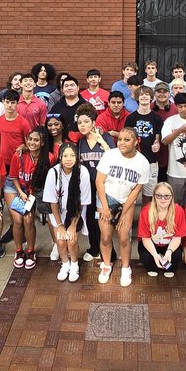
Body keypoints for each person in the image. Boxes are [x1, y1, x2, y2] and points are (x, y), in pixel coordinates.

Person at [94, 128, 150, 287]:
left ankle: (126, 268)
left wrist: (123, 212)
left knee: (124, 237)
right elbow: (99, 182)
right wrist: (105, 207)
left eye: (127, 140)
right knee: (105, 236)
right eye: (120, 139)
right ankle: (106, 265)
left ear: (136, 141)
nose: (121, 143)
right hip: (106, 198)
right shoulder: (109, 155)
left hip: (126, 200)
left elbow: (136, 190)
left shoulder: (143, 162)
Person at [44, 143, 91, 282]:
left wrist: (72, 225)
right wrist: (59, 225)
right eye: (65, 155)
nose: (68, 159)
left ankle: (75, 265)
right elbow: (52, 201)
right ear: (60, 157)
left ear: (77, 157)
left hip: (75, 211)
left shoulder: (83, 172)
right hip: (57, 211)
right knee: (60, 240)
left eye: (72, 155)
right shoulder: (53, 172)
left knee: (71, 240)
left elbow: (82, 202)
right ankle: (65, 264)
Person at [8, 130, 52, 269]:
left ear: (43, 143)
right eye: (30, 139)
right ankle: (19, 250)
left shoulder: (49, 158)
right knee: (17, 220)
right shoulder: (19, 155)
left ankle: (31, 251)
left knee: (28, 220)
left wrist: (31, 194)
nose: (32, 142)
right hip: (16, 188)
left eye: (36, 140)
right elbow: (14, 177)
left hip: (34, 192)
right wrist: (20, 192)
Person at [75, 105, 111, 262]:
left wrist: (102, 141)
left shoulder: (106, 137)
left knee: (103, 220)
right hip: (87, 187)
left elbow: (113, 157)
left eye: (86, 122)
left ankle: (108, 250)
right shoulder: (80, 142)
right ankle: (94, 248)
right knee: (90, 218)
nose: (82, 125)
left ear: (94, 123)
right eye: (80, 122)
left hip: (104, 186)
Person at [137, 182, 185, 277]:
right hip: (152, 245)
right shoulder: (146, 211)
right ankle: (156, 262)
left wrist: (169, 252)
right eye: (159, 195)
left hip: (169, 245)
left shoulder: (178, 211)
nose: (163, 199)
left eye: (167, 196)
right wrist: (155, 255)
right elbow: (145, 238)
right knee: (148, 261)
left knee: (174, 260)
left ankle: (165, 262)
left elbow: (177, 237)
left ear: (172, 197)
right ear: (154, 196)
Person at [123, 86, 163, 198]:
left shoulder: (157, 119)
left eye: (146, 94)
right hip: (133, 161)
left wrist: (157, 145)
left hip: (151, 160)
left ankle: (145, 215)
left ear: (151, 98)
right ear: (137, 98)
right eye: (141, 94)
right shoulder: (130, 118)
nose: (144, 96)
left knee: (149, 194)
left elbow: (157, 138)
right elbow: (126, 138)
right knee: (131, 193)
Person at [0, 89, 33, 163]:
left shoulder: (24, 122)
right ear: (3, 102)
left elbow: (28, 144)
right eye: (7, 102)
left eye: (13, 103)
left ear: (18, 103)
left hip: (19, 160)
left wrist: (23, 148)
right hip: (3, 161)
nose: (9, 105)